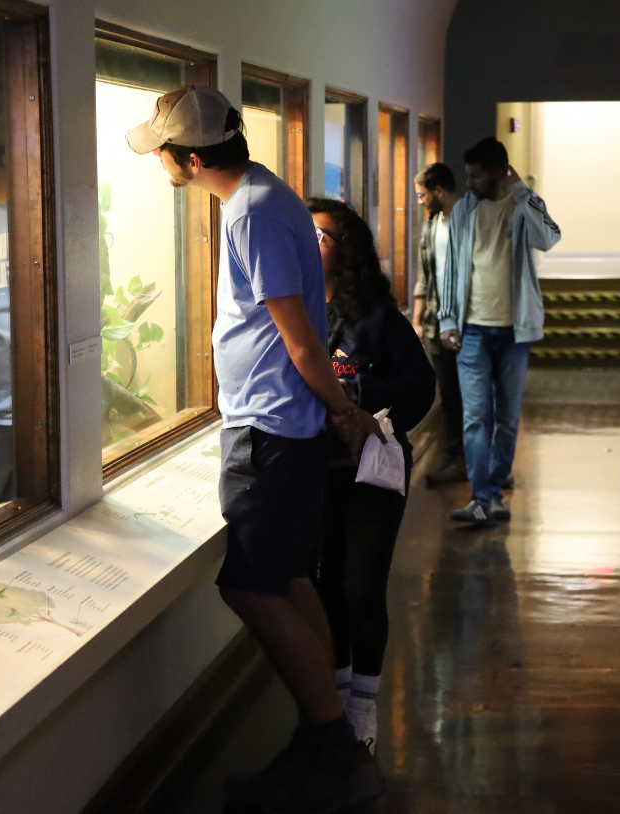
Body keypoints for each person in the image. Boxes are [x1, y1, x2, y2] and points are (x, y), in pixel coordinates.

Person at [128, 86, 386, 813]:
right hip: (277, 425)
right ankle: (320, 735)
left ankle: (335, 747)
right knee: (285, 579)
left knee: (251, 586)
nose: (162, 162)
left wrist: (344, 411)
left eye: (166, 152)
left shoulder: (254, 213)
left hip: (272, 430)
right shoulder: (265, 196)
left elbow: (298, 337)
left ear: (194, 156)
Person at [308, 198, 436, 754]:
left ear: (348, 250)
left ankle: (364, 709)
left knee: (361, 587)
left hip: (371, 473)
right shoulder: (296, 309)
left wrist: (363, 401)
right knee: (324, 587)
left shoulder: (377, 318)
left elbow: (420, 389)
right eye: (302, 233)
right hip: (314, 473)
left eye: (322, 236)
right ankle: (335, 703)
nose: (309, 244)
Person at [438, 137, 561, 523]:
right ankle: (483, 497)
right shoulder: (462, 212)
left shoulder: (523, 206)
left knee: (506, 419)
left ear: (497, 173)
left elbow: (550, 238)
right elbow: (452, 267)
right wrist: (447, 319)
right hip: (471, 328)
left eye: (476, 175)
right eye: (468, 175)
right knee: (476, 418)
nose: (470, 182)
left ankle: (493, 493)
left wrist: (523, 191)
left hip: (514, 332)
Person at [412, 163, 466, 487]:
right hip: (437, 324)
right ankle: (455, 456)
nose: (419, 201)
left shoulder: (468, 223)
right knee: (449, 395)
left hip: (467, 325)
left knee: (473, 395)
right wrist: (417, 318)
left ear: (438, 192)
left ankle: (477, 461)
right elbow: (425, 276)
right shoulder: (431, 227)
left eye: (422, 195)